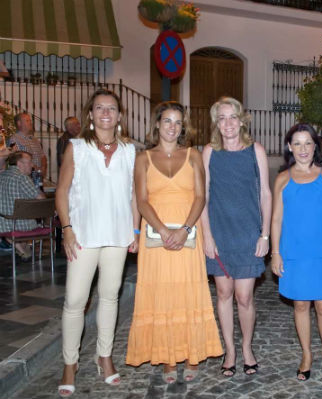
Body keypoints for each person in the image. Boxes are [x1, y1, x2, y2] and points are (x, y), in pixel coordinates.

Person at [126, 102, 223, 383]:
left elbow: (200, 197)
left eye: (177, 122)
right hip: (155, 238)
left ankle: (192, 353)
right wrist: (161, 230)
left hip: (187, 236)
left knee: (189, 293)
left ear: (183, 127)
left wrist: (183, 229)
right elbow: (141, 199)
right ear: (157, 124)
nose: (172, 127)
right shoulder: (143, 158)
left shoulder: (193, 155)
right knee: (161, 295)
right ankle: (168, 358)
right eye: (167, 121)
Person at [56, 89, 139, 398]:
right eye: (100, 108)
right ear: (90, 114)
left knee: (109, 297)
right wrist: (66, 229)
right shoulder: (76, 148)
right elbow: (62, 191)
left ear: (119, 116)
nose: (106, 112)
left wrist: (135, 231)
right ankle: (70, 363)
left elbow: (134, 194)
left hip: (117, 235)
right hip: (83, 235)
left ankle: (104, 356)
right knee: (75, 300)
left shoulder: (130, 150)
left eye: (112, 108)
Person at [200, 97, 271, 377]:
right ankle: (229, 350)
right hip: (219, 232)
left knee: (244, 297)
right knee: (223, 293)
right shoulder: (209, 152)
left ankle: (247, 348)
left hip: (247, 233)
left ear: (241, 120)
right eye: (222, 118)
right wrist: (207, 235)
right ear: (216, 123)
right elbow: (202, 196)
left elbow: (265, 193)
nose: (227, 124)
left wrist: (265, 234)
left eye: (232, 117)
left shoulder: (256, 150)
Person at [271, 123, 322, 381]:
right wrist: (275, 253)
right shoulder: (282, 179)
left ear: (315, 146)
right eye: (297, 143)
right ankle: (306, 354)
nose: (303, 149)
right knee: (301, 305)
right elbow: (276, 221)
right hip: (294, 252)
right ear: (290, 147)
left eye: (308, 143)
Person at [0, 151, 46, 260]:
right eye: (30, 162)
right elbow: (41, 200)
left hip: (2, 224)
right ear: (19, 163)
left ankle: (18, 245)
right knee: (45, 214)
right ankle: (21, 246)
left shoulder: (1, 175)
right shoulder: (22, 178)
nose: (32, 165)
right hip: (22, 224)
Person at [8, 112, 47, 181]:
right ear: (19, 123)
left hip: (38, 178)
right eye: (27, 121)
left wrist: (43, 168)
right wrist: (37, 169)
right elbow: (17, 159)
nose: (30, 123)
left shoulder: (34, 139)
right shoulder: (14, 139)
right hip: (25, 178)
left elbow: (42, 155)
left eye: (30, 121)